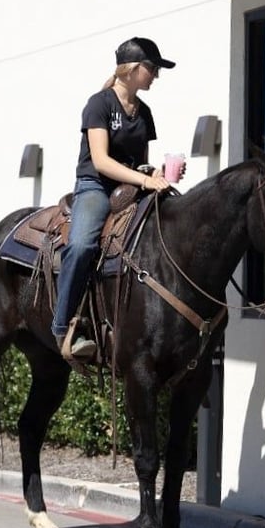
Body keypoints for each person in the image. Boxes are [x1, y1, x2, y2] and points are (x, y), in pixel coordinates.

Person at [51, 37, 178, 358]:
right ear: (132, 69)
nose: (156, 76)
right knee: (81, 246)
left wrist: (159, 173)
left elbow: (141, 162)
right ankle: (63, 326)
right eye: (152, 68)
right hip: (96, 186)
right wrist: (145, 179)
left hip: (131, 188)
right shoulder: (99, 104)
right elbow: (101, 161)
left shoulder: (144, 112)